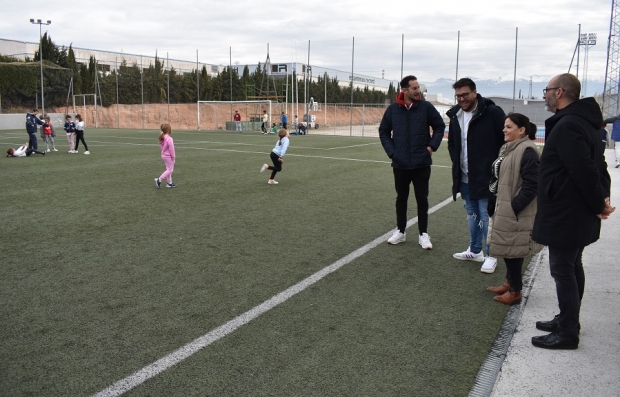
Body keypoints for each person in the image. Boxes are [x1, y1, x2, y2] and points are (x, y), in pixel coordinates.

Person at [531, 73, 614, 350]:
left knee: (563, 269)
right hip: (574, 210)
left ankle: (567, 332)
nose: (544, 95)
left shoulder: (569, 125)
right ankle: (568, 319)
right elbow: (598, 166)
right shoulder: (581, 122)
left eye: (548, 90)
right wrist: (601, 199)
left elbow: (585, 170)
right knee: (572, 265)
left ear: (561, 92)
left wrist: (598, 203)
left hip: (568, 212)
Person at [379, 75, 446, 249]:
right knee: (401, 198)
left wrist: (431, 147)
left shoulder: (425, 107)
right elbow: (384, 131)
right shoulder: (393, 110)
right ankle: (400, 231)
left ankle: (423, 234)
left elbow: (440, 126)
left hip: (421, 163)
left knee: (422, 199)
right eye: (415, 88)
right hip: (400, 163)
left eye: (419, 88)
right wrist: (393, 153)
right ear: (404, 90)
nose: (418, 91)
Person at [447, 78, 506, 272]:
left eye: (465, 94)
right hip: (464, 177)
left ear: (475, 92)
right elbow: (453, 143)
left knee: (487, 216)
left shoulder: (492, 112)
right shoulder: (455, 114)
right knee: (471, 214)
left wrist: (496, 168)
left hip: (487, 177)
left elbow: (506, 141)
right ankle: (475, 250)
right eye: (458, 96)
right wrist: (457, 163)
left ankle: (491, 254)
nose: (462, 99)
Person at [486, 113, 540, 305]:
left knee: (513, 252)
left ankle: (515, 291)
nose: (504, 130)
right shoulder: (509, 148)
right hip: (505, 207)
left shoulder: (527, 151)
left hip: (516, 212)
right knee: (508, 248)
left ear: (521, 130)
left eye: (509, 127)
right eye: (504, 126)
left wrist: (514, 207)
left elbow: (533, 185)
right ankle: (510, 283)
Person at [154, 123, 177, 188]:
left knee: (168, 169)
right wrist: (173, 157)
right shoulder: (169, 138)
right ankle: (159, 179)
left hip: (164, 155)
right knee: (170, 170)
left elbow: (162, 147)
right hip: (168, 156)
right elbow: (171, 149)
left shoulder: (162, 137)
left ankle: (169, 182)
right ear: (168, 130)